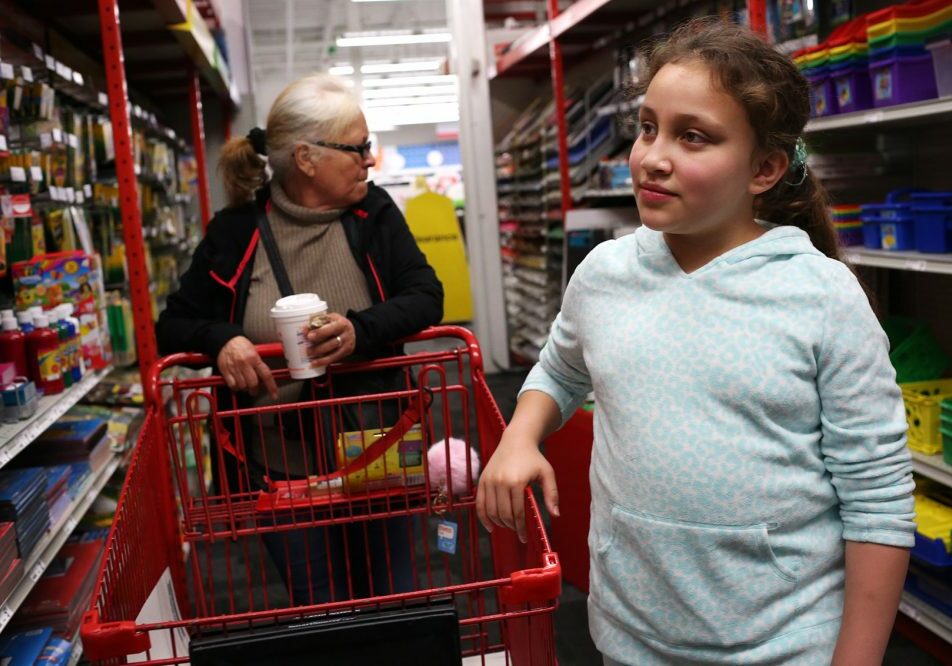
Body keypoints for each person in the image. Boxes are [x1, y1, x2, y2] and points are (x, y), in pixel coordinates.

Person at [477, 18, 915, 665]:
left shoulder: (822, 296)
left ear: (764, 167)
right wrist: (519, 436)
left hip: (786, 645)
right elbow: (559, 370)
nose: (653, 156)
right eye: (648, 127)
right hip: (630, 636)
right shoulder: (604, 273)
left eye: (693, 137)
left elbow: (876, 500)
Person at [157, 74, 443, 606]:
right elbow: (172, 324)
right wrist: (222, 340)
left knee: (395, 598)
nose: (370, 160)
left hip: (372, 451)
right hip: (280, 468)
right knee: (318, 605)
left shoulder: (374, 214)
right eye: (358, 149)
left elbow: (426, 296)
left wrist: (361, 329)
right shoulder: (235, 232)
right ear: (306, 158)